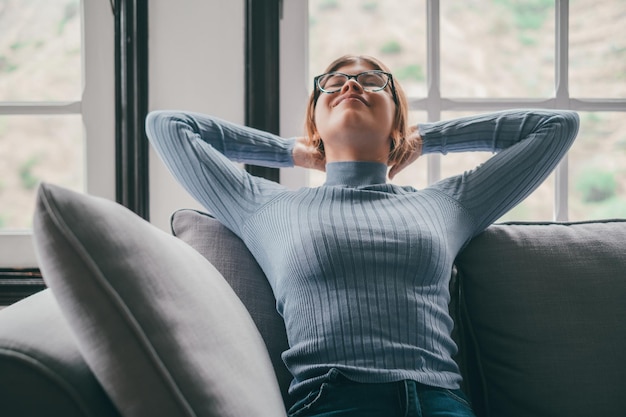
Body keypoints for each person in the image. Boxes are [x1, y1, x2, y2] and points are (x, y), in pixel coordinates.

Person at [145, 54, 579, 417]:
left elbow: (557, 126)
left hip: (439, 403)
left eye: (372, 81)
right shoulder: (267, 206)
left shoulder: (446, 204)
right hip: (331, 401)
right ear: (314, 120)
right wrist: (293, 151)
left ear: (396, 117)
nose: (351, 85)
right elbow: (168, 126)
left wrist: (417, 140)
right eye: (333, 83)